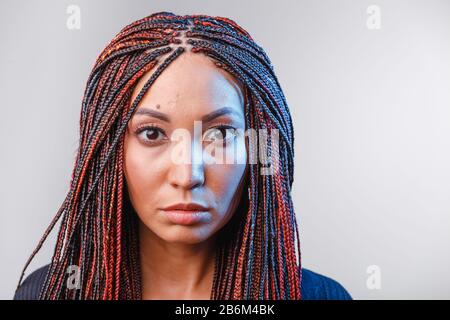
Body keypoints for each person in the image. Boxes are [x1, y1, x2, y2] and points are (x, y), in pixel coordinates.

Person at [14, 11, 351, 300]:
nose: (188, 175)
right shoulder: (52, 291)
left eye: (220, 134)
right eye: (152, 133)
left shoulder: (317, 295)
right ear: (111, 148)